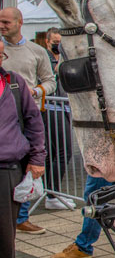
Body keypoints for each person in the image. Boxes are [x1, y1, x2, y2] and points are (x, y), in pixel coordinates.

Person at [1, 7, 55, 234]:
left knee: (26, 166)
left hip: (26, 112)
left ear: (19, 22)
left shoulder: (37, 51)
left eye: (6, 22)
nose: (2, 26)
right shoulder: (2, 46)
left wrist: (35, 92)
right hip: (6, 117)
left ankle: (20, 216)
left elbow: (50, 81)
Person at [1, 41, 46, 258]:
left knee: (5, 234)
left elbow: (34, 122)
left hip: (7, 168)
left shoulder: (14, 83)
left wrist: (37, 159)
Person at [48, 175, 115, 258]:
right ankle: (83, 246)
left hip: (104, 165)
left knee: (95, 198)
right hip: (108, 164)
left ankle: (83, 246)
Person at [40, 27, 73, 210]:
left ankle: (51, 192)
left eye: (61, 43)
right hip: (51, 108)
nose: (58, 47)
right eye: (55, 43)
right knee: (62, 152)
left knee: (54, 153)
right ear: (47, 41)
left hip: (65, 107)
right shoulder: (44, 58)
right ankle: (52, 194)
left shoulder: (65, 58)